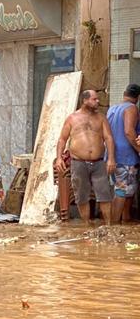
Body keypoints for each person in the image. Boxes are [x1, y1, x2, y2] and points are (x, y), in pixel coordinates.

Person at [57, 89, 116, 225]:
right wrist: (59, 158)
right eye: (94, 99)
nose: (98, 101)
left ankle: (108, 225)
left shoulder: (101, 118)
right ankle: (86, 225)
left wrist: (111, 158)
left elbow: (108, 138)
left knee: (104, 194)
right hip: (78, 162)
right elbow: (62, 139)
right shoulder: (72, 118)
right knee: (81, 195)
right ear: (85, 100)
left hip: (99, 162)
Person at [107, 84, 140, 222]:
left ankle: (125, 219)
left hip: (114, 155)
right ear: (137, 98)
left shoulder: (112, 109)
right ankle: (114, 224)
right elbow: (128, 131)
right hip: (126, 156)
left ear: (124, 93)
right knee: (121, 190)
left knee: (125, 189)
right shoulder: (132, 108)